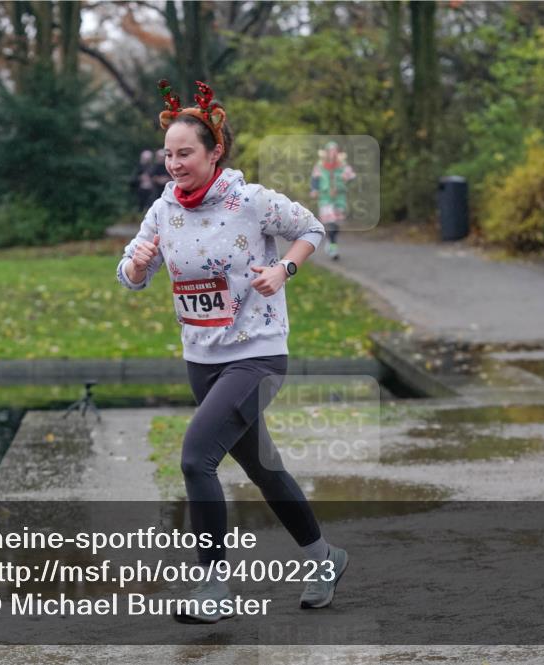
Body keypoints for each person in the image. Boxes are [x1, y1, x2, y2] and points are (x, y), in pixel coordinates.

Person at [116, 80, 348, 624]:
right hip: (202, 359)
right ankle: (323, 558)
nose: (174, 164)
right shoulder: (163, 209)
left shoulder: (250, 201)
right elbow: (131, 274)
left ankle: (214, 586)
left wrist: (283, 269)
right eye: (169, 154)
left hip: (258, 354)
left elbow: (310, 227)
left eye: (185, 153)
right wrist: (137, 261)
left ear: (214, 150)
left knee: (196, 458)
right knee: (265, 470)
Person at [309, 141, 356, 260]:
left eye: (335, 151)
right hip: (325, 198)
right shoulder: (320, 166)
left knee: (336, 223)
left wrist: (346, 180)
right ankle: (333, 247)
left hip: (339, 198)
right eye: (330, 151)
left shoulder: (343, 166)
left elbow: (351, 178)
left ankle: (330, 241)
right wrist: (314, 189)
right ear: (326, 153)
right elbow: (315, 179)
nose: (333, 153)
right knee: (330, 222)